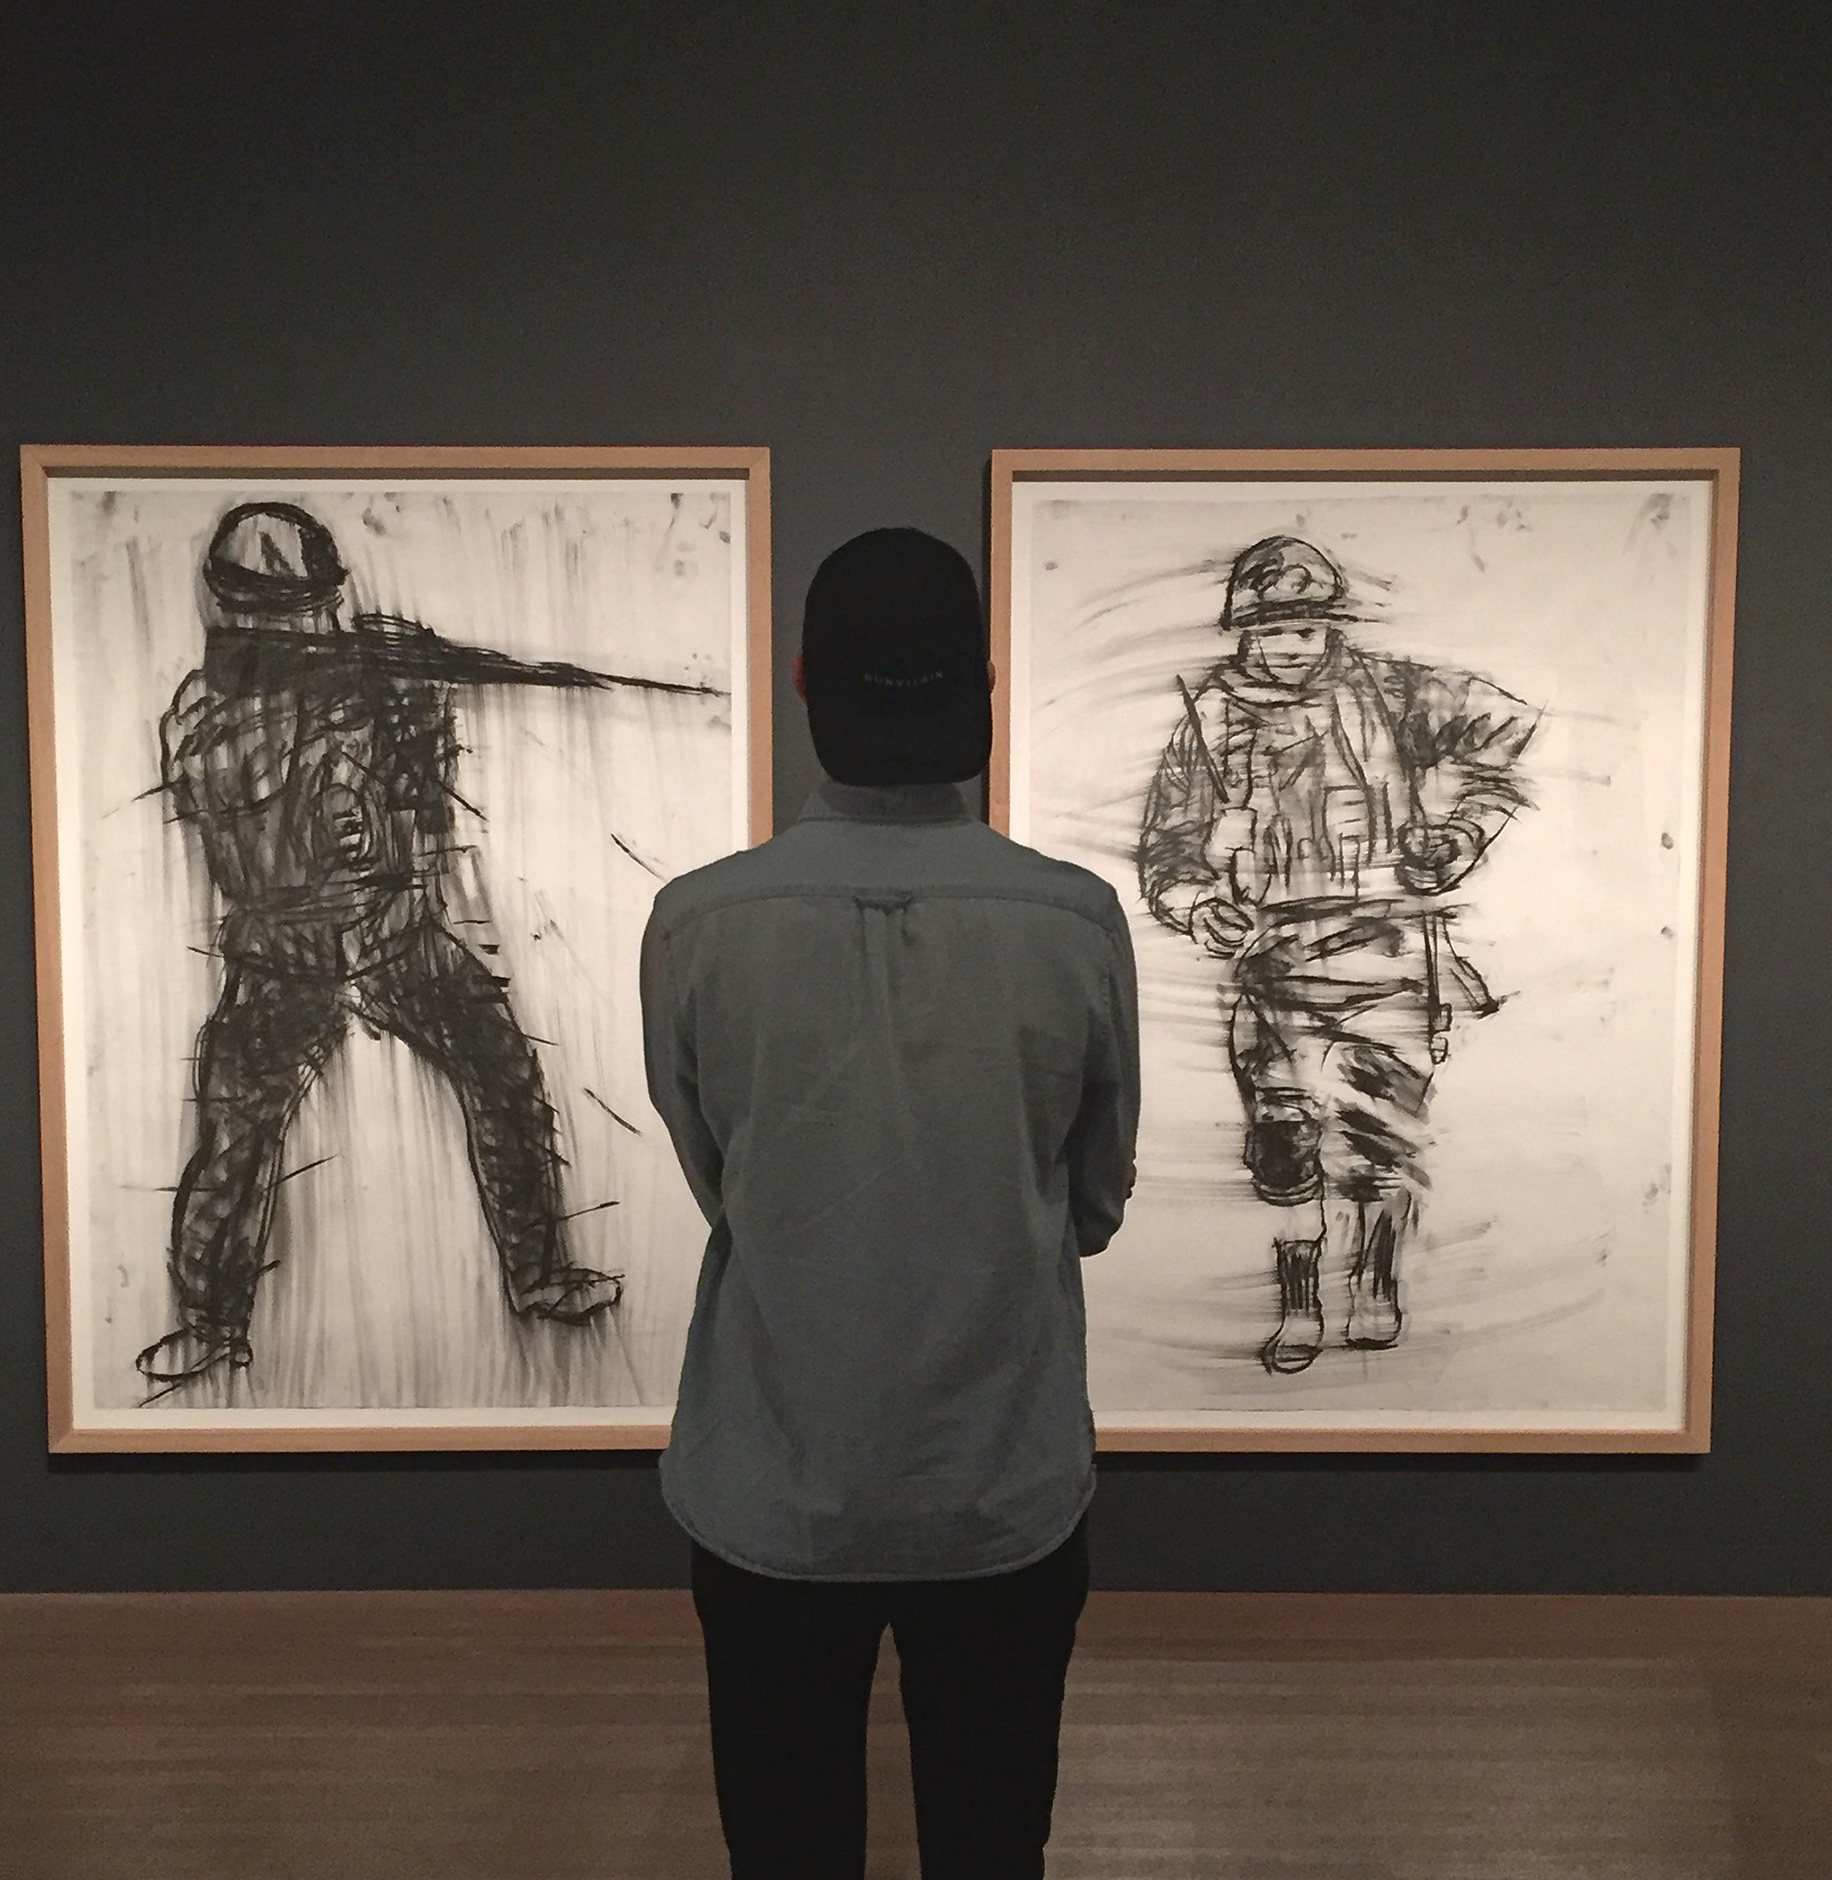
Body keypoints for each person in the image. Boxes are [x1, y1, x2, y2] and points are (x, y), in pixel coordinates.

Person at [640, 528, 1140, 1879]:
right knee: (992, 1845)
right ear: (984, 683)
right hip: (998, 1475)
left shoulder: (696, 922)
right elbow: (1096, 1197)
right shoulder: (1074, 919)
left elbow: (717, 1175)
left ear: (807, 681)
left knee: (785, 1850)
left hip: (775, 1481)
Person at [141, 500, 705, 1391]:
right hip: (280, 956)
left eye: (312, 611)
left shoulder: (375, 687)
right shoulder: (203, 716)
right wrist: (311, 752)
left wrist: (406, 729)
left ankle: (539, 1273)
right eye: (285, 617)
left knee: (505, 1078)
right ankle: (210, 1324)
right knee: (233, 1139)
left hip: (396, 933)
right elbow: (232, 827)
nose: (308, 630)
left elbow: (421, 811)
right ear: (233, 612)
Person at [1135, 535, 1538, 1374]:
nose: (1289, 646)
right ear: (1244, 631)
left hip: (1390, 957)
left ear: (1332, 628)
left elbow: (1507, 726)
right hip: (1272, 968)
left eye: (1307, 628)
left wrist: (1459, 836)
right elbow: (1167, 848)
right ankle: (1299, 1304)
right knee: (1284, 1145)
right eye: (1271, 629)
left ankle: (1376, 1287)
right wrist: (1199, 906)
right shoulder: (1209, 721)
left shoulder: (1393, 690)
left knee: (1381, 1140)